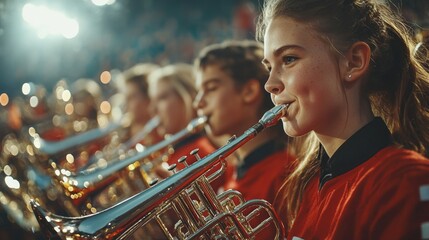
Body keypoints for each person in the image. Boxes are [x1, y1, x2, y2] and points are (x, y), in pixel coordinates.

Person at [257, 0, 429, 239]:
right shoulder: (310, 185)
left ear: (354, 61)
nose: (270, 85)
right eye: (269, 67)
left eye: (288, 59)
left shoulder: (403, 181)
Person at [193, 40, 296, 206]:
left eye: (211, 88)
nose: (198, 103)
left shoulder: (284, 175)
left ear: (249, 91)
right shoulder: (234, 170)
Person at [148, 63, 216, 176]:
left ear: (187, 97)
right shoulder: (174, 153)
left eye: (162, 98)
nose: (152, 109)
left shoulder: (199, 154)